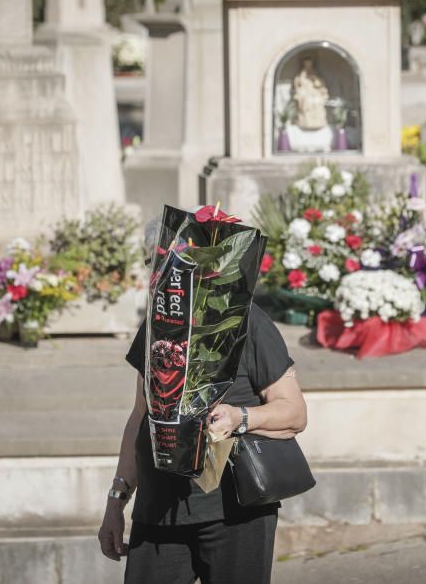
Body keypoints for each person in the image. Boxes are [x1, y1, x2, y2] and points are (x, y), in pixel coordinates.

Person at [98, 221, 308, 584]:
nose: (166, 275)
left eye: (178, 265)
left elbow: (294, 412)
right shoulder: (156, 325)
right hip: (158, 510)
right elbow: (139, 417)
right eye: (158, 264)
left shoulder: (249, 322)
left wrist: (240, 417)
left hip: (233, 511)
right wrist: (117, 500)